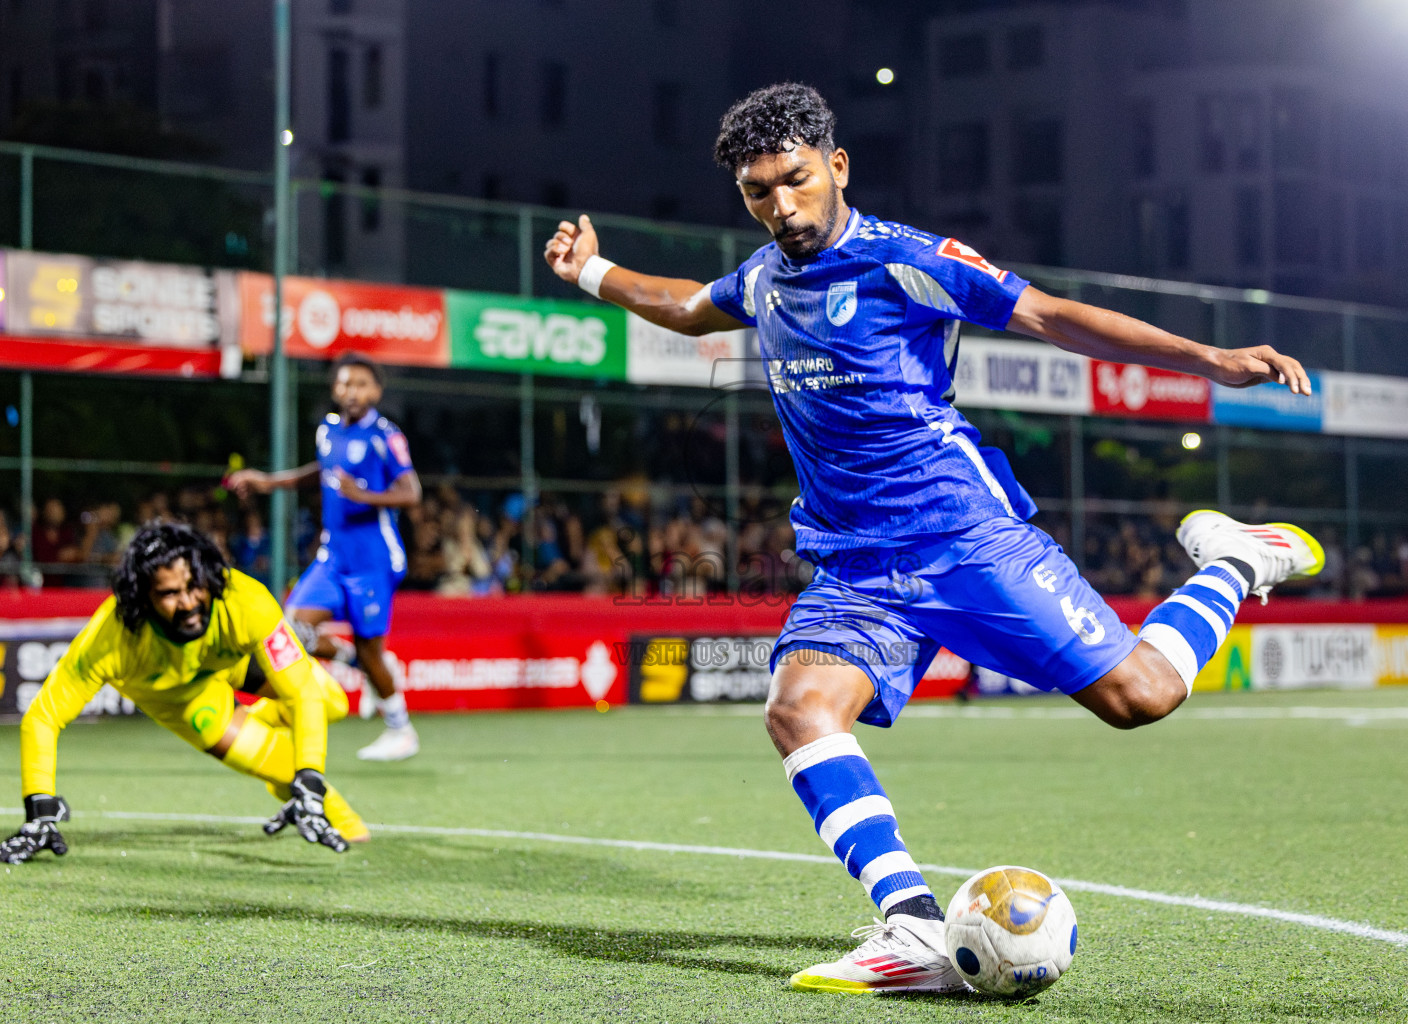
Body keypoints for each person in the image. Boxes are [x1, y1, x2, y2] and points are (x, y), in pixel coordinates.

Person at [545, 83, 1324, 995]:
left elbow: (1051, 315)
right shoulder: (764, 278)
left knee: (1141, 698)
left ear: (836, 166)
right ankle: (911, 926)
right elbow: (682, 305)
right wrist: (591, 273)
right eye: (758, 192)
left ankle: (1235, 558)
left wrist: (1213, 361)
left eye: (794, 180)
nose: (780, 205)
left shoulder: (908, 262)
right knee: (798, 710)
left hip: (966, 541)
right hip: (853, 563)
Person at [0, 522, 366, 865]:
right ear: (143, 597)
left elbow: (303, 693)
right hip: (183, 699)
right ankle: (283, 767)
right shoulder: (110, 638)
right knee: (307, 789)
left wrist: (311, 780)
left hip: (230, 661)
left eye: (194, 585)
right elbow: (43, 717)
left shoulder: (245, 599)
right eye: (170, 593)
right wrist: (40, 812)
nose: (189, 602)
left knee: (332, 702)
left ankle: (261, 720)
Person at [229, 353, 423, 761]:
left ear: (376, 391)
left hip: (373, 560)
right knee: (289, 629)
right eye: (345, 384)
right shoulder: (328, 431)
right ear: (335, 389)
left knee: (373, 652)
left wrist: (364, 496)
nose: (352, 392)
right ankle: (353, 658)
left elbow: (411, 492)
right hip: (332, 558)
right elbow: (320, 472)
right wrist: (267, 482)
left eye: (362, 385)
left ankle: (400, 730)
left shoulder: (385, 435)